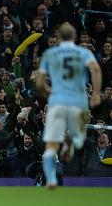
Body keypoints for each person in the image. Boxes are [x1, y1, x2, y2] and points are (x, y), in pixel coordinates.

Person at [36, 22, 102, 189]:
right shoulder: (83, 52)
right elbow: (95, 70)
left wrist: (49, 91)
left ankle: (51, 178)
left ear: (58, 38)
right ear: (74, 37)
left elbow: (39, 82)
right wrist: (95, 93)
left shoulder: (50, 53)